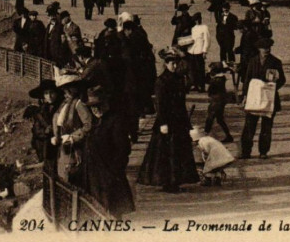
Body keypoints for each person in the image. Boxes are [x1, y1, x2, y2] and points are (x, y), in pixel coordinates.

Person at [137, 52, 200, 192]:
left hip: (179, 121)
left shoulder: (178, 78)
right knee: (166, 153)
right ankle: (168, 182)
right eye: (172, 63)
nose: (175, 65)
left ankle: (176, 181)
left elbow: (183, 98)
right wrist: (163, 123)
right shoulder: (161, 81)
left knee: (178, 152)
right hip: (167, 121)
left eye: (176, 63)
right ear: (166, 64)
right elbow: (160, 104)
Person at [83, 87, 135, 218]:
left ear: (106, 104)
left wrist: (114, 170)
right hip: (96, 173)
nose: (96, 109)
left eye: (98, 106)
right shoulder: (96, 122)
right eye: (92, 107)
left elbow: (123, 149)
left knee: (114, 210)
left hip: (110, 173)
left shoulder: (115, 121)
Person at [240, 38, 286, 159]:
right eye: (264, 48)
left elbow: (282, 80)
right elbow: (247, 79)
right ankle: (245, 151)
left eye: (268, 48)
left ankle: (263, 151)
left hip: (269, 99)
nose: (266, 50)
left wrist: (272, 87)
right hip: (254, 98)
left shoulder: (275, 62)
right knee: (249, 126)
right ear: (259, 49)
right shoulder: (252, 61)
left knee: (266, 127)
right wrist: (245, 95)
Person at [51, 72, 93, 186]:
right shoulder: (63, 105)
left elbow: (88, 125)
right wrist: (56, 137)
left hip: (75, 150)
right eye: (64, 91)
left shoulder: (79, 104)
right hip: (63, 149)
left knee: (73, 178)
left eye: (68, 90)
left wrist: (72, 137)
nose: (66, 94)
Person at [24, 79, 61, 174]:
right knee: (49, 172)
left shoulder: (62, 107)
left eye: (52, 92)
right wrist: (45, 132)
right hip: (46, 149)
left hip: (60, 145)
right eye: (46, 93)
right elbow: (36, 130)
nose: (49, 96)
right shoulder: (41, 111)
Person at [205, 65, 233, 143]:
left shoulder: (217, 80)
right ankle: (228, 136)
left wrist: (208, 73)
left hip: (216, 101)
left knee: (210, 118)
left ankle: (205, 133)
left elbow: (208, 83)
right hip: (219, 101)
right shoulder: (221, 79)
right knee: (220, 119)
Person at [187, 13, 210, 92]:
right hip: (192, 50)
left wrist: (205, 51)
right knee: (193, 69)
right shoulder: (193, 28)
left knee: (200, 69)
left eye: (198, 19)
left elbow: (207, 40)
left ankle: (201, 85)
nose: (197, 21)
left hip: (199, 51)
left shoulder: (204, 27)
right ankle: (195, 84)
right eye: (196, 20)